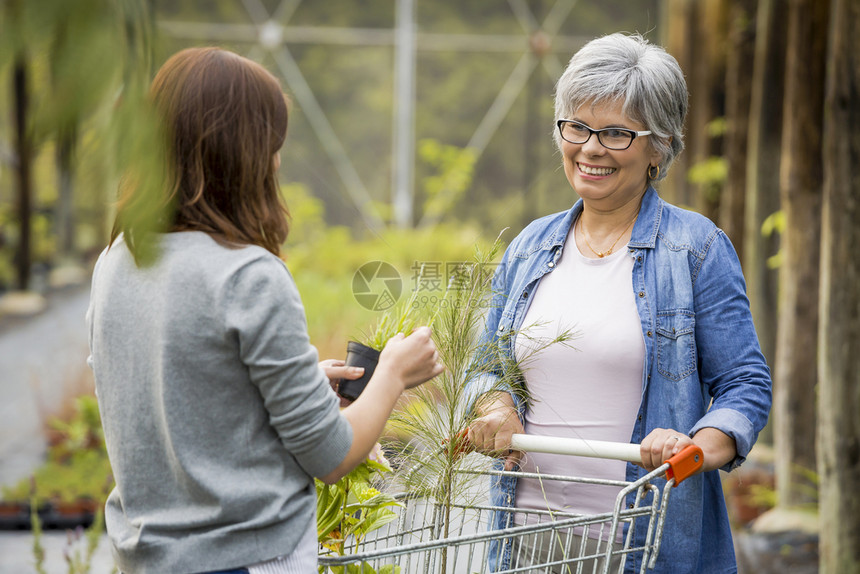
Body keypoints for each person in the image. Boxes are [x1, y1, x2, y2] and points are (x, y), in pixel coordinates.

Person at [86, 47, 443, 574]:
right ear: (241, 152)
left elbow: (167, 398)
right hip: (244, 560)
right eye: (272, 145)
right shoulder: (248, 274)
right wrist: (391, 374)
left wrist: (280, 387)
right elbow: (333, 455)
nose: (277, 160)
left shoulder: (117, 260)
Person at [466, 33, 772, 573]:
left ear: (660, 145)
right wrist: (492, 402)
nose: (590, 148)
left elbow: (744, 384)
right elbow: (486, 361)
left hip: (642, 543)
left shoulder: (696, 250)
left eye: (616, 133)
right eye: (577, 126)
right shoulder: (529, 246)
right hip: (523, 541)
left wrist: (694, 443)